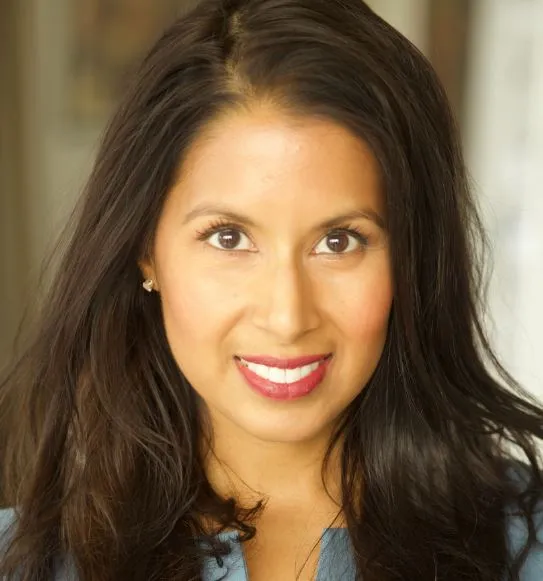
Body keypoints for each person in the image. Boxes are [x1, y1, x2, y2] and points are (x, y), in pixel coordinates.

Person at [1, 0, 542, 579]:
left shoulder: (523, 545)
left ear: (413, 258)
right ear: (145, 249)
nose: (287, 316)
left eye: (339, 241)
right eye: (229, 238)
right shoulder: (23, 562)